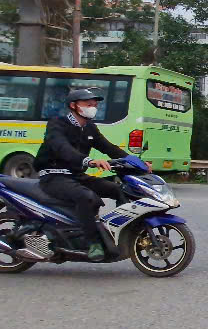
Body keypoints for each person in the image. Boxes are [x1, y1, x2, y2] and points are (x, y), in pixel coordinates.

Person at [33, 87, 133, 261]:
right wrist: (88, 161)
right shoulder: (57, 124)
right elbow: (62, 148)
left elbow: (109, 148)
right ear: (74, 105)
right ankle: (92, 243)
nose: (93, 107)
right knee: (85, 196)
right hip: (54, 176)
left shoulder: (89, 128)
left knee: (119, 189)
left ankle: (121, 231)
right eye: (88, 104)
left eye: (94, 104)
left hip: (76, 176)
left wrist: (136, 162)